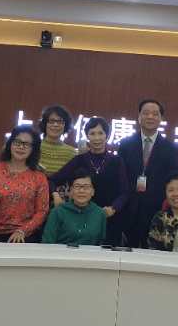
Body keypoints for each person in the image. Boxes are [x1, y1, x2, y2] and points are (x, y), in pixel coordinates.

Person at [48, 116, 131, 245]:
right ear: (87, 136)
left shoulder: (117, 161)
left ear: (107, 136)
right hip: (80, 220)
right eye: (92, 133)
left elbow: (125, 192)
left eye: (100, 133)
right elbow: (52, 180)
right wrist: (56, 195)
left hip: (109, 218)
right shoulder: (78, 160)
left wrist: (114, 208)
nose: (97, 138)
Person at [118, 99, 178, 247]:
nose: (150, 117)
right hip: (128, 209)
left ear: (161, 118)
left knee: (152, 252)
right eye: (146, 113)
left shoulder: (170, 148)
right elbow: (119, 176)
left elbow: (174, 179)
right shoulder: (125, 145)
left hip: (156, 210)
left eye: (155, 114)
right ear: (139, 117)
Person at [41, 168, 107, 246]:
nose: (81, 191)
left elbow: (101, 244)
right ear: (71, 191)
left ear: (93, 192)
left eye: (86, 187)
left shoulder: (100, 213)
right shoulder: (57, 212)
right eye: (77, 186)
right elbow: (47, 243)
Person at [38, 105, 76, 174]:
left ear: (65, 125)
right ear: (45, 123)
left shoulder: (72, 153)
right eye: (52, 121)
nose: (55, 125)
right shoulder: (34, 147)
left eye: (60, 122)